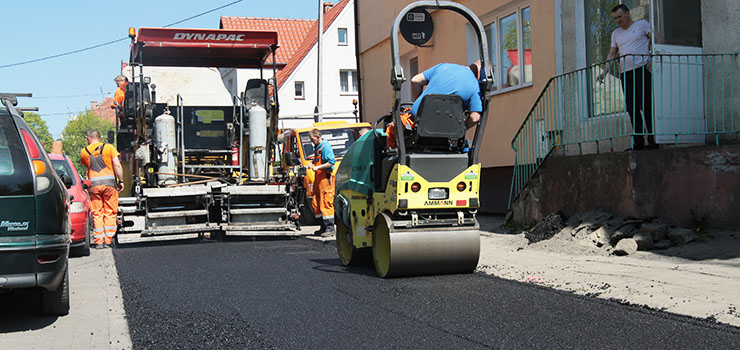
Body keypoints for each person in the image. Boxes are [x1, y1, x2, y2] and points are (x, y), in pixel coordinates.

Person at [386, 61, 483, 148]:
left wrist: (422, 108)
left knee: (390, 137)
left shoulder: (443, 67)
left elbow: (415, 80)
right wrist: (460, 129)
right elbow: (475, 117)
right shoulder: (475, 87)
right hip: (445, 138)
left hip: (415, 128)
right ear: (481, 75)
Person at [599, 4, 656, 150]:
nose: (618, 20)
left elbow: (656, 38)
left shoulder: (642, 24)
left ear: (628, 14)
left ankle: (654, 140)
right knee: (632, 107)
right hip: (625, 73)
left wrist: (653, 58)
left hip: (642, 69)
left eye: (620, 16)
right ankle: (638, 143)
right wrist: (605, 70)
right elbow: (612, 53)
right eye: (615, 18)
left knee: (646, 105)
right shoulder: (615, 34)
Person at [81, 130, 124, 248]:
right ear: (99, 138)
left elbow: (87, 166)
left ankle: (99, 241)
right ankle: (108, 241)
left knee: (97, 212)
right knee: (110, 211)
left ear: (89, 138)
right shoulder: (109, 148)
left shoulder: (84, 151)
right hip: (110, 185)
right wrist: (121, 181)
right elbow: (117, 165)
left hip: (93, 186)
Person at [306, 128, 336, 237]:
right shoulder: (318, 147)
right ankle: (322, 226)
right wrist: (312, 163)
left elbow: (331, 161)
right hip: (319, 179)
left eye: (312, 139)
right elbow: (318, 159)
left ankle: (330, 228)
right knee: (316, 201)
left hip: (325, 179)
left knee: (326, 201)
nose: (312, 141)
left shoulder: (325, 147)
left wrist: (318, 166)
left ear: (318, 137)